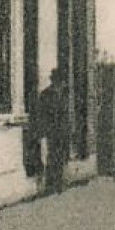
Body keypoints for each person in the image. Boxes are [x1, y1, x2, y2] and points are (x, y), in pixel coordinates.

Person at [34, 68, 70, 196]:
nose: (61, 84)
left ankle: (59, 184)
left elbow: (66, 114)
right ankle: (50, 186)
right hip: (51, 132)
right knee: (51, 157)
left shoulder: (64, 94)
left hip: (62, 131)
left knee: (60, 157)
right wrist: (43, 133)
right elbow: (41, 115)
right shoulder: (45, 95)